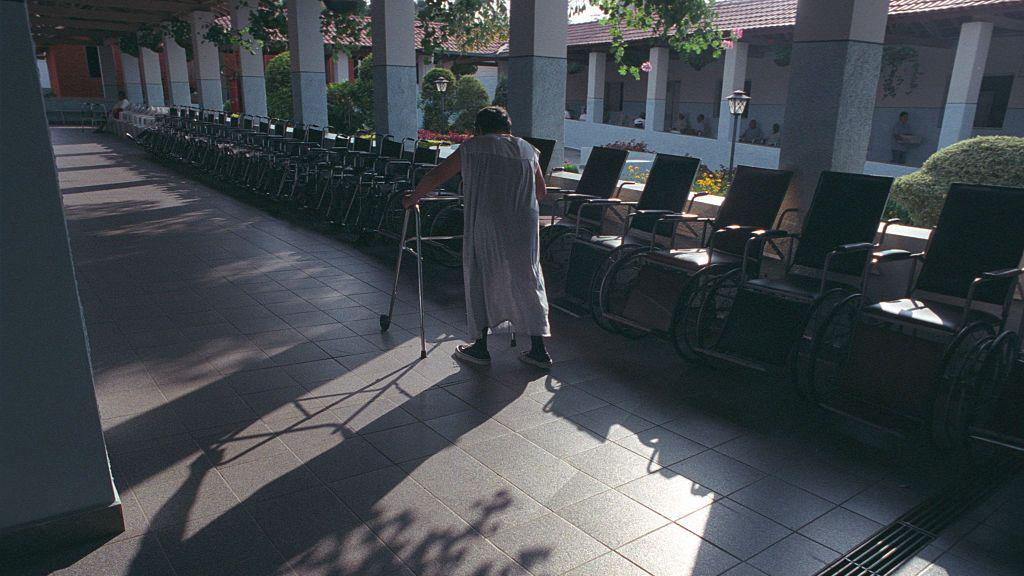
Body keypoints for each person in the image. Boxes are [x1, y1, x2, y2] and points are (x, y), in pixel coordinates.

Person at [403, 106, 553, 368]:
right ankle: (539, 350)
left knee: (482, 276)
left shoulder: (474, 146)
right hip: (523, 226)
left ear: (479, 129)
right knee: (529, 279)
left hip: (488, 222)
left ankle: (481, 347)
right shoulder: (528, 150)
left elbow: (437, 175)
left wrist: (414, 197)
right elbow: (541, 192)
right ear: (508, 128)